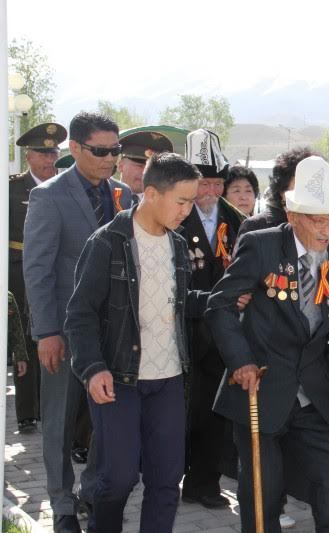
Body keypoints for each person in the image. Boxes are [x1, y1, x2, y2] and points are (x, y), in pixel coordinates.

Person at [206, 156, 329, 532]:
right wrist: (241, 361)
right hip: (262, 387)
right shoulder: (261, 246)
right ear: (292, 216)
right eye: (318, 220)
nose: (328, 230)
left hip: (314, 395)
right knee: (264, 492)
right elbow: (220, 305)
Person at [64, 153, 206, 533]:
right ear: (151, 193)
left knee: (166, 480)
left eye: (191, 202)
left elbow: (179, 302)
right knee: (118, 478)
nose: (187, 211)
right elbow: (80, 314)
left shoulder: (177, 245)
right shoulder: (107, 243)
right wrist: (92, 368)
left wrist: (222, 300)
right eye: (182, 201)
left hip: (169, 378)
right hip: (118, 379)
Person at [23, 112, 133, 532]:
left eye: (115, 151)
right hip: (66, 332)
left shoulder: (124, 194)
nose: (110, 159)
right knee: (60, 420)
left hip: (115, 332)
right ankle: (62, 504)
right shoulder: (49, 196)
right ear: (75, 148)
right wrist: (47, 332)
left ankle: (94, 491)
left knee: (108, 419)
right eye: (100, 151)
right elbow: (38, 270)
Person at [179, 128, 245, 509]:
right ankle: (173, 476)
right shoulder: (176, 215)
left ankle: (204, 482)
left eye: (217, 183)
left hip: (223, 330)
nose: (211, 191)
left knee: (212, 411)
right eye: (203, 183)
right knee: (182, 411)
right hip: (183, 326)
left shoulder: (237, 220)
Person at [9, 121, 66, 434]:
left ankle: (50, 406)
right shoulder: (11, 189)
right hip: (19, 271)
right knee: (25, 341)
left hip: (57, 270)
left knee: (54, 334)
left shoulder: (64, 186)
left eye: (53, 153)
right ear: (28, 156)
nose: (49, 160)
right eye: (43, 154)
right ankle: (27, 411)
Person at [238, 146, 318, 235]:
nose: (307, 192)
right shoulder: (254, 227)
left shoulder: (325, 226)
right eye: (301, 185)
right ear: (282, 190)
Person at [117, 130, 174, 204]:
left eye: (151, 168)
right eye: (139, 166)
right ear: (120, 166)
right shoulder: (106, 197)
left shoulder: (162, 204)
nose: (145, 172)